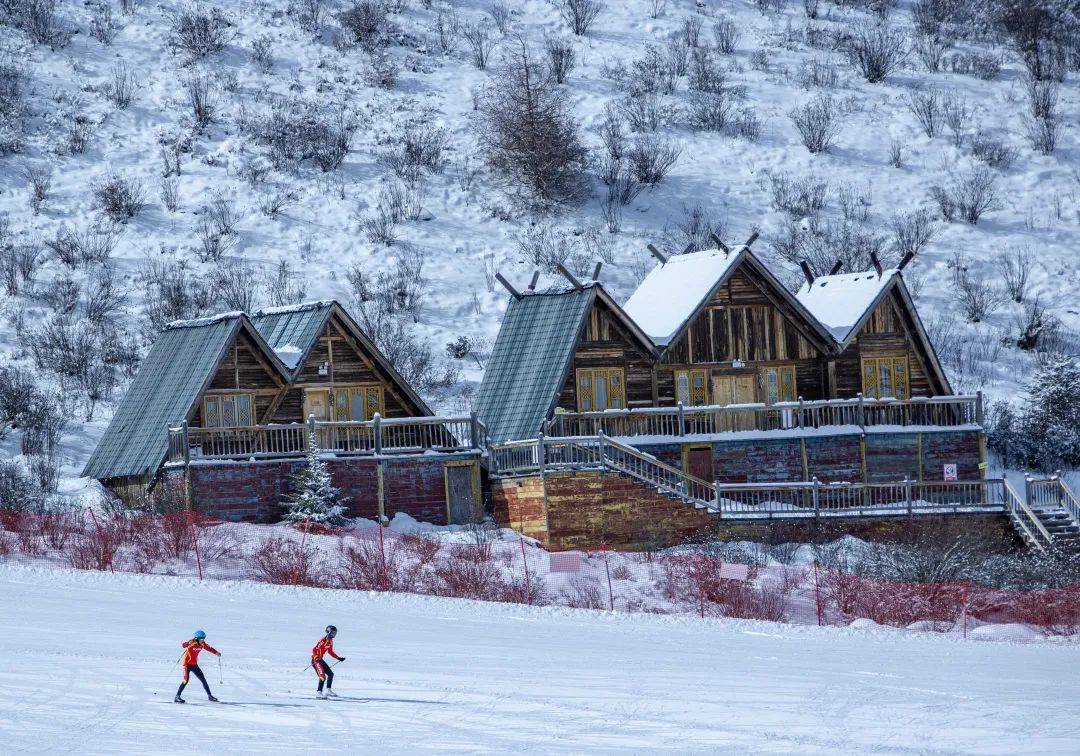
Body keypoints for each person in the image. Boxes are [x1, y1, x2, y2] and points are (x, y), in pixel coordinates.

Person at [174, 630, 221, 703]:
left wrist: (216, 653)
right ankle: (177, 697)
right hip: (186, 664)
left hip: (194, 665)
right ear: (197, 638)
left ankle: (210, 696)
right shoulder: (192, 643)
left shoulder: (202, 644)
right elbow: (183, 645)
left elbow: (209, 648)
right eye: (201, 638)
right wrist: (188, 643)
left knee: (203, 679)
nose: (203, 640)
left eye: (203, 638)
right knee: (185, 680)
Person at [311, 625, 345, 698]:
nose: (334, 634)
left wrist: (338, 658)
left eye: (335, 633)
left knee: (330, 674)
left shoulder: (330, 642)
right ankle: (319, 693)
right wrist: (316, 656)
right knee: (322, 676)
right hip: (316, 660)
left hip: (320, 660)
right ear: (329, 632)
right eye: (333, 633)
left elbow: (330, 652)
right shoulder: (323, 641)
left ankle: (328, 690)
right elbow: (315, 649)